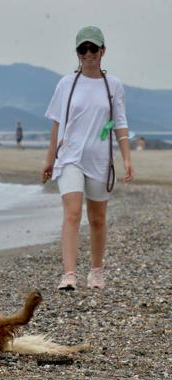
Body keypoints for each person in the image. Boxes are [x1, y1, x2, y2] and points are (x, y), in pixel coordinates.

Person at [42, 26, 134, 291]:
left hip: (100, 160)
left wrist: (127, 159)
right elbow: (57, 125)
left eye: (93, 48)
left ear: (102, 51)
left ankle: (96, 271)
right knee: (72, 214)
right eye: (83, 49)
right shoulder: (66, 84)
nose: (88, 54)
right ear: (77, 53)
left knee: (97, 219)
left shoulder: (113, 85)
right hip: (70, 157)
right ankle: (69, 274)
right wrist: (49, 160)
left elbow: (120, 124)